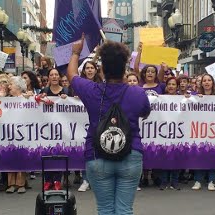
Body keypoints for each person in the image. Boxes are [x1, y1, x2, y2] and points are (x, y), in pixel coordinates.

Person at [67, 36, 151, 215]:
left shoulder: (91, 90)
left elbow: (72, 76)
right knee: (124, 209)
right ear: (124, 69)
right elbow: (145, 112)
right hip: (131, 155)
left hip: (97, 156)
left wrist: (75, 52)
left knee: (105, 209)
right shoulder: (138, 93)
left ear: (102, 69)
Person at [2, 77, 32, 194]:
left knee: (21, 156)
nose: (9, 87)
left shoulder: (27, 98)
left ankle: (21, 183)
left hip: (23, 131)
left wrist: (30, 97)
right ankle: (11, 184)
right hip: (9, 132)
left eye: (11, 84)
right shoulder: (5, 99)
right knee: (10, 156)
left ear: (18, 87)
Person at [190, 73, 215, 191]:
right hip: (199, 130)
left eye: (209, 80)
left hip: (214, 130)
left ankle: (211, 180)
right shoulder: (196, 96)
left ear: (212, 82)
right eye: (204, 81)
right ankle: (198, 180)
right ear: (201, 84)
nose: (207, 82)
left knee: (212, 155)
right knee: (199, 154)